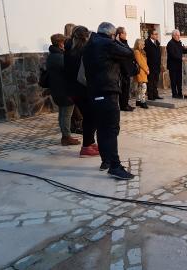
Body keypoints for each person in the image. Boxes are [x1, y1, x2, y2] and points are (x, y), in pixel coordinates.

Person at [82, 22, 135, 180]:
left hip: (94, 93)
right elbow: (129, 53)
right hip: (107, 92)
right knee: (111, 130)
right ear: (112, 34)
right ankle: (115, 166)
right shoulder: (106, 44)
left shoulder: (90, 44)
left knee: (103, 129)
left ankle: (106, 161)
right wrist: (117, 40)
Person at [64, 25, 100, 158]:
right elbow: (83, 76)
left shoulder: (69, 49)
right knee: (92, 117)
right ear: (85, 37)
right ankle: (86, 147)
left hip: (72, 90)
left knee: (90, 116)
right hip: (82, 89)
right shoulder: (82, 50)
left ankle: (90, 143)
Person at [46, 33, 80, 147]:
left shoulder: (52, 55)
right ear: (61, 43)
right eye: (64, 42)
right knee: (66, 115)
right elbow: (69, 70)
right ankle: (66, 137)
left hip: (57, 90)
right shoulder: (59, 57)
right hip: (65, 90)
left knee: (62, 114)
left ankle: (65, 135)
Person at [64, 23, 83, 135]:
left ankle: (74, 126)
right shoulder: (70, 44)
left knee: (73, 105)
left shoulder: (65, 45)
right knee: (76, 105)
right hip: (75, 79)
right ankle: (77, 126)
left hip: (70, 79)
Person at [115, 27, 136, 111]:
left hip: (127, 70)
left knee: (126, 89)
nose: (126, 35)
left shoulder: (124, 43)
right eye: (124, 33)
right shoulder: (118, 44)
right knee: (123, 89)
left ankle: (126, 104)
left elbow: (130, 54)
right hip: (122, 70)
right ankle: (123, 105)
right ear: (120, 34)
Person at [167, 29, 187, 98]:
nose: (179, 37)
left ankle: (180, 93)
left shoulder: (179, 42)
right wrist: (181, 58)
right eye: (177, 35)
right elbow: (172, 54)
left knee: (179, 80)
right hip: (172, 65)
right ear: (173, 36)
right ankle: (174, 94)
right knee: (173, 80)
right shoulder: (170, 43)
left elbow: (183, 50)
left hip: (179, 65)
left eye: (179, 35)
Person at [144, 29, 163, 101]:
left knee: (156, 81)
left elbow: (158, 55)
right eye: (155, 34)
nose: (157, 35)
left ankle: (156, 94)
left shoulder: (157, 43)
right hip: (150, 65)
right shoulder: (147, 43)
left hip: (157, 66)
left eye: (157, 34)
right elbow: (146, 55)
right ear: (151, 35)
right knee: (150, 81)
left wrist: (160, 65)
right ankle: (150, 95)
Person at [133, 39, 149, 109]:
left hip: (143, 72)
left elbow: (144, 62)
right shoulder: (136, 52)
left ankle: (138, 100)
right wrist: (146, 69)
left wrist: (147, 68)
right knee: (143, 87)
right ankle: (143, 101)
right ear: (139, 44)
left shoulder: (142, 52)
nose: (144, 46)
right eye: (142, 44)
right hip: (140, 72)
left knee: (140, 87)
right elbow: (140, 63)